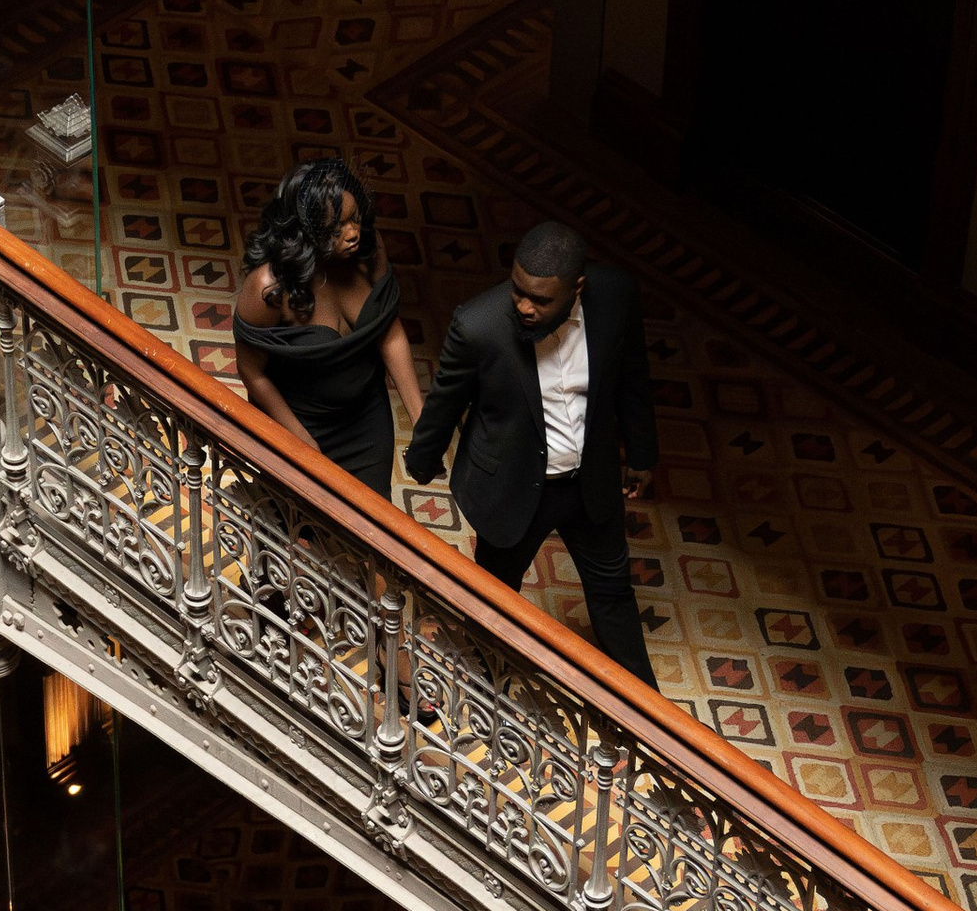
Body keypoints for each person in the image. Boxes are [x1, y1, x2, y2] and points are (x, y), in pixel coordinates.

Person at [404, 219, 659, 685]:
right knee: (495, 597)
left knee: (613, 594)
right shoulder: (478, 324)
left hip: (589, 482)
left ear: (576, 288)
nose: (523, 306)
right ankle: (484, 688)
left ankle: (653, 715)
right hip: (513, 485)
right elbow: (447, 399)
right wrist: (422, 458)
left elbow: (632, 377)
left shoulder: (616, 295)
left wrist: (641, 454)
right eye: (517, 290)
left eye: (540, 300)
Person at [230, 154, 424, 501]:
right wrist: (299, 439)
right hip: (303, 422)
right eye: (336, 229)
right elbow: (251, 370)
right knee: (296, 525)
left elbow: (389, 332)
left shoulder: (368, 251)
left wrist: (421, 420)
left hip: (367, 419)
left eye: (355, 219)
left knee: (370, 520)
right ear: (305, 232)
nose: (353, 234)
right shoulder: (269, 288)